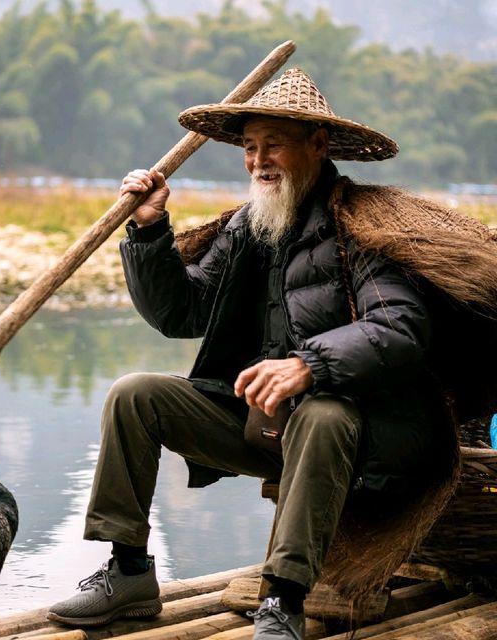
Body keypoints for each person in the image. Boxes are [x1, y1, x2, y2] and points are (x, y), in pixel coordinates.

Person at [47, 68, 451, 640]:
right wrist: (150, 230)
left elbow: (400, 328)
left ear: (317, 145)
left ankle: (283, 600)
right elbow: (179, 314)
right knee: (134, 395)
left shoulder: (364, 227)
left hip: (359, 438)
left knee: (321, 410)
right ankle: (130, 572)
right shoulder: (248, 226)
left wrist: (309, 365)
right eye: (250, 147)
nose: (258, 160)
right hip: (264, 427)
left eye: (274, 145)